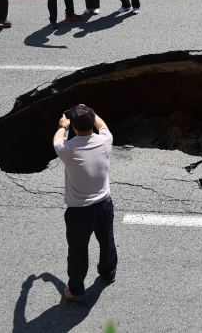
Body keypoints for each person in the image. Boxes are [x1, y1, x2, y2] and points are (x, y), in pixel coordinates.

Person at [53, 104, 117, 301]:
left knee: (78, 251)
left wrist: (63, 124)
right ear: (92, 123)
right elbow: (102, 124)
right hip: (104, 204)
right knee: (106, 240)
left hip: (80, 212)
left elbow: (57, 138)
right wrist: (87, 109)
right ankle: (107, 272)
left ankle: (76, 291)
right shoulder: (106, 140)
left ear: (73, 127)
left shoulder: (66, 148)